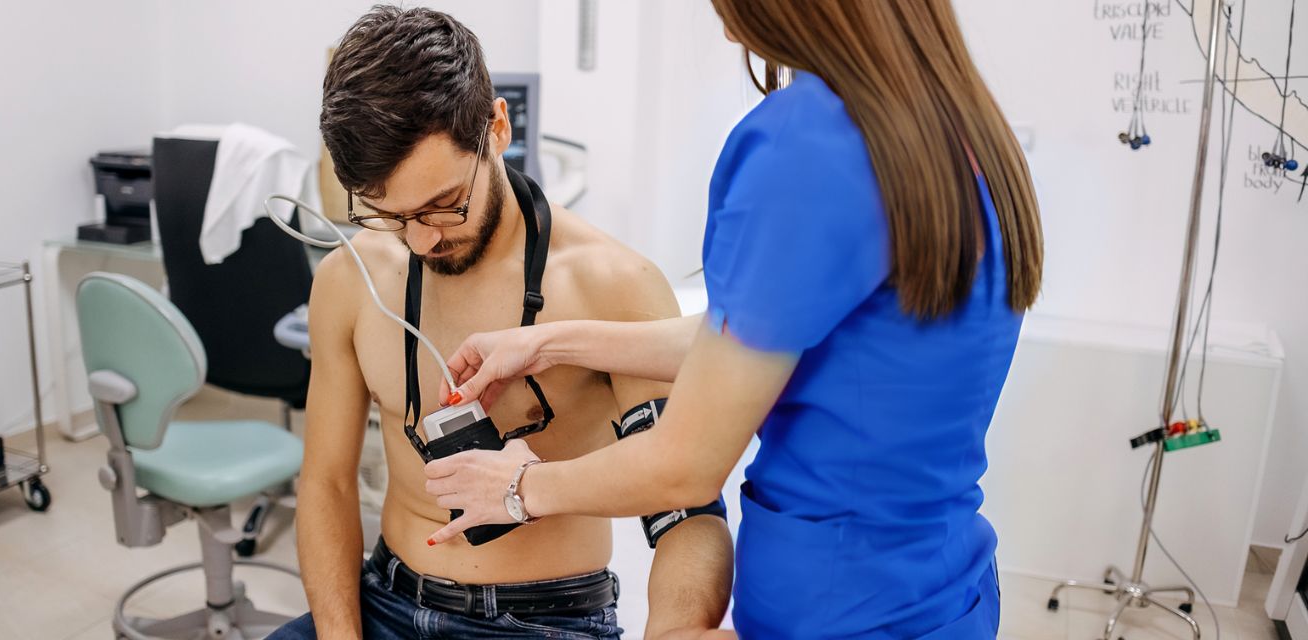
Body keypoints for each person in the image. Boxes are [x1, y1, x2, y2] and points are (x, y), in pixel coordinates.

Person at [420, 0, 1045, 637]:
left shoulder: (807, 143)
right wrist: (553, 343)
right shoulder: (955, 127)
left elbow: (685, 465)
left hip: (836, 611)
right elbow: (786, 335)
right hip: (941, 593)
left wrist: (519, 486)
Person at [268, 6, 734, 640]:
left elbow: (687, 515)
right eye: (392, 215)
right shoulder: (351, 281)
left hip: (541, 621)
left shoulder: (612, 286)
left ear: (496, 127)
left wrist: (674, 628)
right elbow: (324, 482)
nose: (424, 239)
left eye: (443, 204)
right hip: (383, 597)